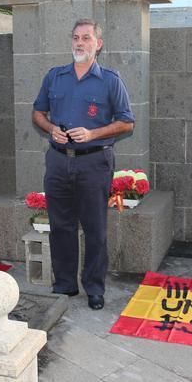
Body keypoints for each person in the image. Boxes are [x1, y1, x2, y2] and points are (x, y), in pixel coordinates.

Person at [32, 18, 135, 310]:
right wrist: (50, 127)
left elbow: (127, 122)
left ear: (98, 44)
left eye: (86, 38)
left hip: (94, 163)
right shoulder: (55, 77)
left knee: (95, 229)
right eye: (76, 37)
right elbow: (37, 113)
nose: (80, 43)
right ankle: (65, 284)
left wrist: (94, 133)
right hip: (58, 161)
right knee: (61, 226)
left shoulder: (111, 81)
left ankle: (94, 288)